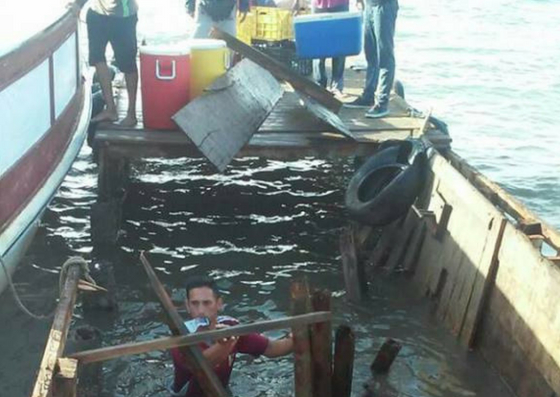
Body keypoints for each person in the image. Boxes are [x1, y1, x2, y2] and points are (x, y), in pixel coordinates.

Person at [170, 276, 293, 396]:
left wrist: (297, 336)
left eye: (207, 303)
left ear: (219, 304)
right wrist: (224, 345)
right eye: (195, 304)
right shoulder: (180, 340)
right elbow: (201, 366)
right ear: (187, 306)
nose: (201, 311)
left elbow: (272, 348)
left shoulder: (231, 326)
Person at [86, 0, 139, 126]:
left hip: (124, 16)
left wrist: (78, 4)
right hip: (96, 12)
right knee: (97, 58)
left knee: (128, 64)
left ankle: (131, 114)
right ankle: (110, 109)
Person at [346, 0, 398, 119]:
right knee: (370, 54)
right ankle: (368, 96)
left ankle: (382, 103)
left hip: (384, 6)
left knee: (385, 56)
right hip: (369, 6)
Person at [311, 0, 350, 96]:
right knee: (318, 45)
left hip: (340, 4)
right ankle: (319, 84)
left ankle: (337, 85)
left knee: (339, 45)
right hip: (318, 5)